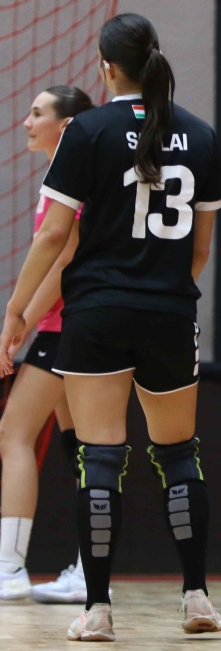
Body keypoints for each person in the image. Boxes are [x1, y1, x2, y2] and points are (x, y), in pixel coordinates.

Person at [0, 14, 221, 641]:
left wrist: (15, 311)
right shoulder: (201, 135)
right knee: (178, 455)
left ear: (107, 67)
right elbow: (200, 250)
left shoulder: (88, 130)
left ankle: (96, 609)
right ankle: (197, 598)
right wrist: (160, 289)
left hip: (96, 312)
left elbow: (53, 236)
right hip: (170, 313)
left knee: (99, 457)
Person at [0, 86, 93, 603]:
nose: (26, 122)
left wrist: (21, 321)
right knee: (82, 448)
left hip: (65, 327)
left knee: (13, 432)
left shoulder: (74, 177)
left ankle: (9, 570)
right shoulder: (64, 175)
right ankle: (86, 572)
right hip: (73, 327)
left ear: (66, 125)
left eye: (37, 113)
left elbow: (63, 260)